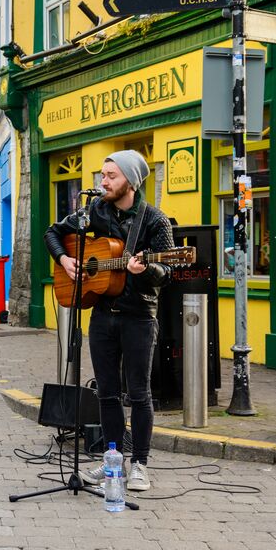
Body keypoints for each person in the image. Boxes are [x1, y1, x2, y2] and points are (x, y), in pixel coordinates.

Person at [45, 150, 174, 492]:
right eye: (102, 175)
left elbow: (167, 274)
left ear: (130, 181)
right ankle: (112, 461)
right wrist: (67, 260)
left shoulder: (155, 221)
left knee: (139, 393)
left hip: (138, 317)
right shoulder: (95, 212)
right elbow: (53, 233)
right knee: (107, 394)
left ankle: (140, 465)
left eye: (111, 176)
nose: (103, 181)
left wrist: (146, 269)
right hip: (102, 314)